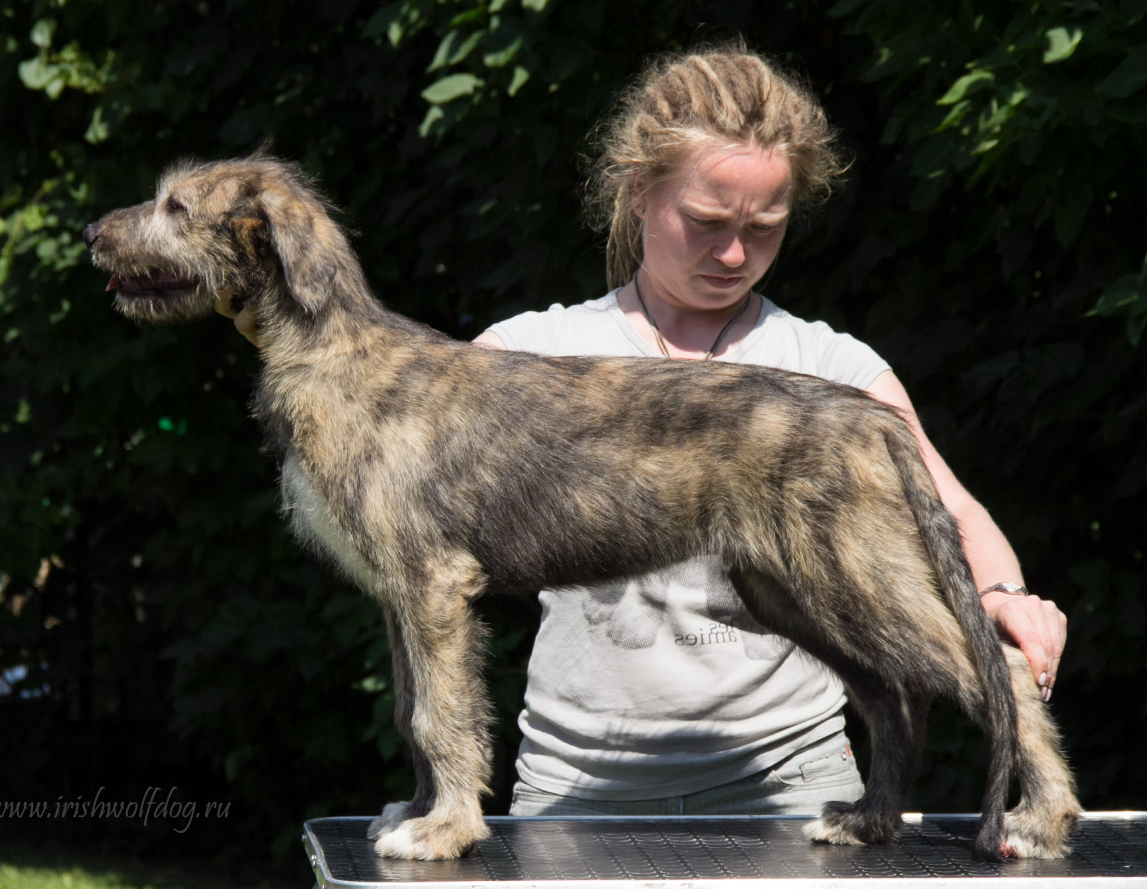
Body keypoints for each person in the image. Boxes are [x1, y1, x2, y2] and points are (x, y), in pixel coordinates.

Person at [218, 44, 1067, 818]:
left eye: (763, 230)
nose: (733, 253)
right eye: (706, 221)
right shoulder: (525, 352)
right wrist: (291, 330)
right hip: (575, 788)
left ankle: (1042, 779)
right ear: (639, 193)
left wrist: (1002, 599)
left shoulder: (824, 367)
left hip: (792, 787)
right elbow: (400, 465)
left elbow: (949, 513)